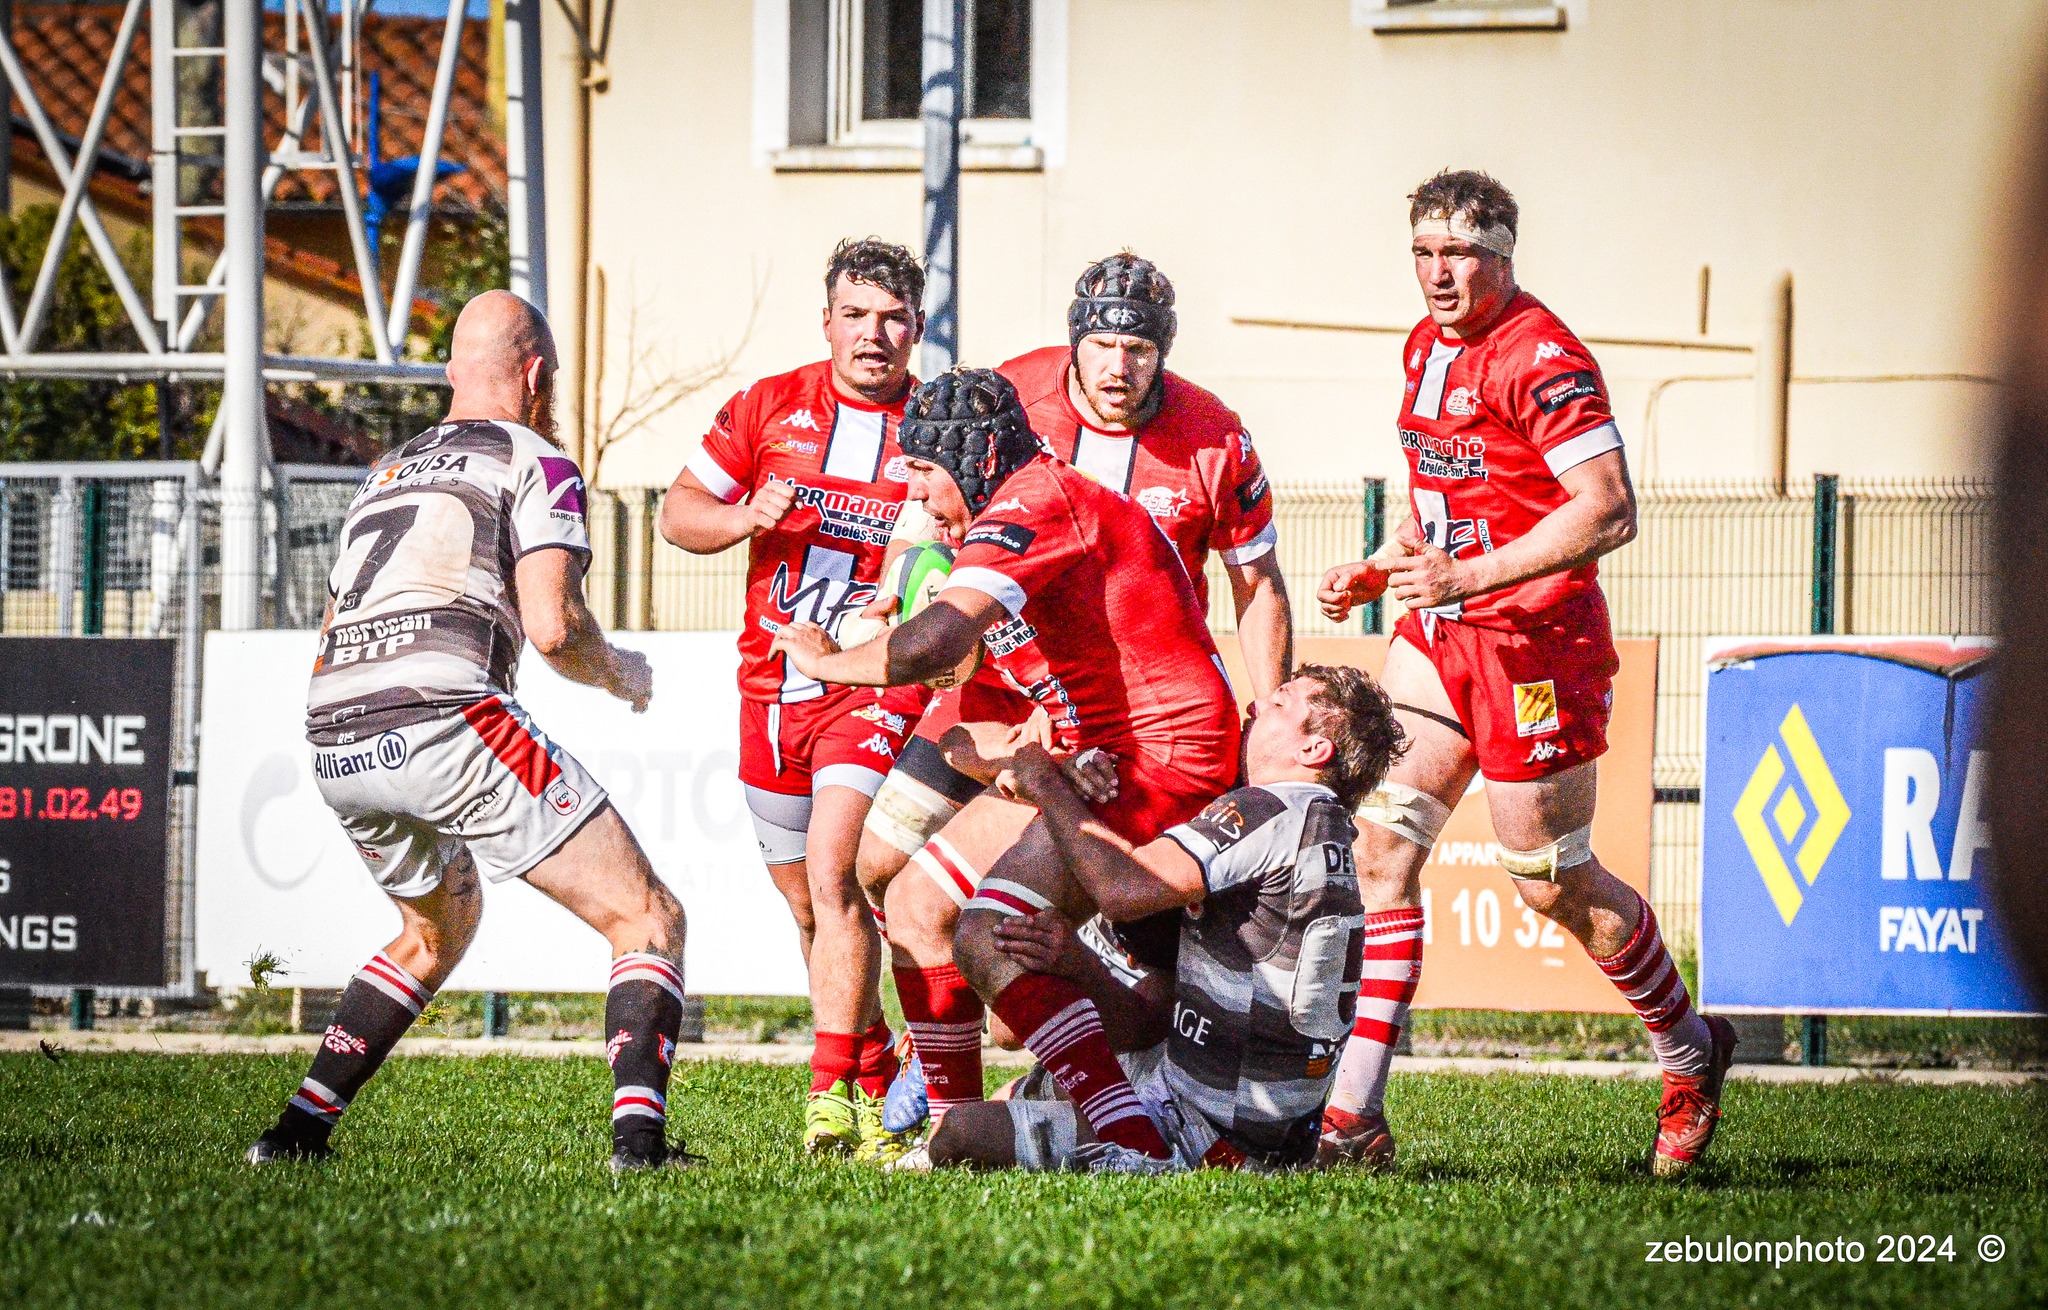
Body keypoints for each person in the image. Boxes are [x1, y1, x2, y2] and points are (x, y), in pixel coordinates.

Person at [1315, 170, 1736, 1177]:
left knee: (1547, 882)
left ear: (1503, 251)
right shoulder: (1424, 344)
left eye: (1456, 252)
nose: (1436, 272)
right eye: (1420, 251)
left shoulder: (1540, 356)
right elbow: (1443, 499)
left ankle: (1687, 1048)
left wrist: (1467, 573)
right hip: (1439, 633)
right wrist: (1384, 561)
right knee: (1377, 851)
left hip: (1533, 649)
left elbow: (1605, 507)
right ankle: (1352, 1113)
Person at [248, 291, 692, 1173]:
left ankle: (293, 1137)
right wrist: (621, 674)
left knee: (435, 931)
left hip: (335, 732)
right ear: (536, 376)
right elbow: (556, 629)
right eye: (552, 378)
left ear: (453, 374)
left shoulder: (385, 472)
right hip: (444, 717)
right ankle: (639, 1149)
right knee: (647, 916)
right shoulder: (536, 459)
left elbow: (334, 627)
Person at [770, 369, 1240, 1169]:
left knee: (990, 932)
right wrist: (1029, 750)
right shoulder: (1000, 524)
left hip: (1163, 753)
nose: (910, 489)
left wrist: (828, 659)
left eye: (921, 468)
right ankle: (953, 1132)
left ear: (970, 453)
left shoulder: (1032, 501)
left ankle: (1128, 1139)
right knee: (916, 904)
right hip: (1094, 754)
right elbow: (980, 696)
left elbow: (927, 648)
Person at [854, 254, 1290, 914]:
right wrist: (900, 575)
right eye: (1102, 346)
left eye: (1139, 349)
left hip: (1124, 715)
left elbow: (1256, 585)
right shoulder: (1012, 391)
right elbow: (932, 492)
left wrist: (1272, 711)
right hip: (998, 681)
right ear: (1074, 340)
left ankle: (1045, 1003)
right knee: (878, 868)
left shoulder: (1215, 437)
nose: (1119, 368)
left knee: (1025, 914)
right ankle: (951, 1010)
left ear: (1164, 348)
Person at [657, 238, 931, 1160]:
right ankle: (881, 1070)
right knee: (814, 913)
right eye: (855, 316)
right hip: (771, 691)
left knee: (836, 871)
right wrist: (744, 517)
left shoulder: (938, 423)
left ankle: (825, 1099)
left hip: (875, 688)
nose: (874, 335)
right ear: (827, 324)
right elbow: (677, 510)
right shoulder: (770, 405)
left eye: (893, 318)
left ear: (917, 327)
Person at [921, 666, 1404, 1174]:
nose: (1255, 709)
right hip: (1269, 1132)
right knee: (1016, 1093)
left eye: (1280, 705)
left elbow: (1124, 889)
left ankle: (1141, 1150)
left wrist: (1046, 783)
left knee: (961, 1133)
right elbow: (1143, 1018)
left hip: (1207, 1131)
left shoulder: (1272, 808)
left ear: (1313, 751)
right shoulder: (1323, 826)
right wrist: (1078, 963)